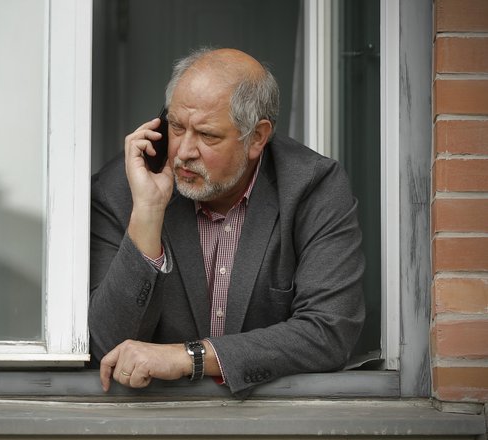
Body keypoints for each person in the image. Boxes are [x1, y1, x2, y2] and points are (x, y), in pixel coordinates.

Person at [89, 47, 365, 398]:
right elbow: (105, 347)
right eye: (176, 126)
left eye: (208, 135)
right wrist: (147, 211)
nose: (184, 151)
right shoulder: (124, 187)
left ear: (258, 137)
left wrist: (191, 357)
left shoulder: (312, 187)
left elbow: (330, 330)